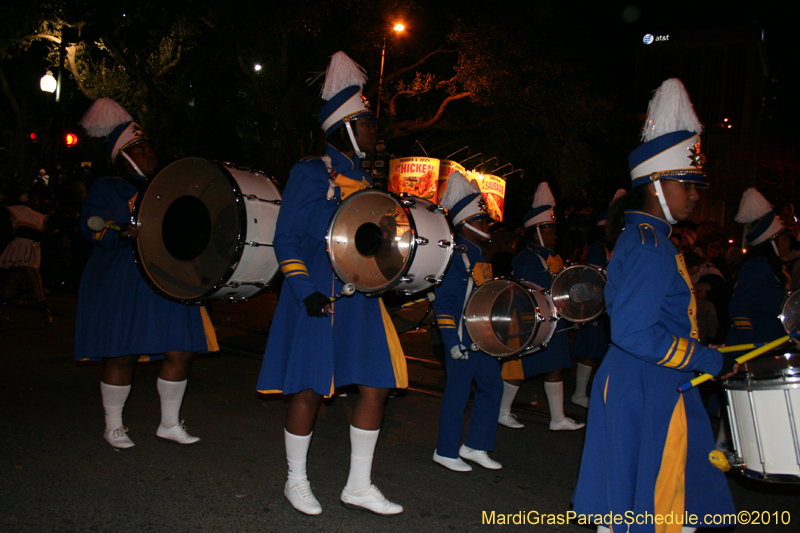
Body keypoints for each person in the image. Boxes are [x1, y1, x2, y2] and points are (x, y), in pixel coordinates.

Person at [572, 79, 736, 533]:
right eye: (689, 184)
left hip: (654, 384)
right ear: (658, 184)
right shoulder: (648, 245)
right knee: (654, 511)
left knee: (649, 506)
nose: (697, 194)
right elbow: (635, 333)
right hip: (647, 388)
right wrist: (708, 359)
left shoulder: (651, 239)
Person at [256, 52, 406, 516]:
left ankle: (358, 485)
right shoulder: (309, 172)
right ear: (344, 128)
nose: (373, 132)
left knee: (377, 385)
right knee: (309, 389)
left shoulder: (367, 181)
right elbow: (287, 240)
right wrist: (305, 292)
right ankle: (295, 480)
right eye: (367, 124)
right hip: (316, 295)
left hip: (360, 298)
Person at [74, 98, 218, 449]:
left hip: (168, 277)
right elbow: (91, 229)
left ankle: (169, 423)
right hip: (122, 280)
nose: (149, 154)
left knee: (180, 350)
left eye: (149, 147)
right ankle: (114, 425)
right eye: (139, 149)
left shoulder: (170, 185)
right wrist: (122, 225)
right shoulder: (107, 188)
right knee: (121, 354)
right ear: (122, 157)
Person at [497, 182, 585, 431]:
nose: (555, 236)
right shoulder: (527, 257)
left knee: (554, 365)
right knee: (519, 368)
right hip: (528, 321)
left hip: (549, 321)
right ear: (536, 232)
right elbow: (537, 286)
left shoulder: (550, 258)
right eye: (550, 231)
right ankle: (502, 412)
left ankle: (557, 418)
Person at [431, 171, 504, 472]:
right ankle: (445, 450)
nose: (487, 225)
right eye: (482, 220)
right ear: (466, 223)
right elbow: (445, 303)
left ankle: (475, 445)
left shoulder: (479, 253)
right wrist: (451, 341)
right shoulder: (458, 256)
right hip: (462, 338)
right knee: (458, 392)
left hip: (481, 337)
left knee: (493, 386)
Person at [726, 188, 789, 346]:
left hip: (771, 343)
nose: (788, 243)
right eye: (784, 239)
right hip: (756, 346)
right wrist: (751, 343)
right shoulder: (758, 267)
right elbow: (738, 307)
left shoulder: (772, 268)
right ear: (773, 243)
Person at [0, 191, 52, 321]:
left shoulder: (38, 215)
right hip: (23, 247)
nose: (37, 202)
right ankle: (44, 309)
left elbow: (57, 221)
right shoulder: (15, 210)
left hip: (32, 248)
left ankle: (1, 305)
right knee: (34, 279)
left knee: (13, 281)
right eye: (35, 199)